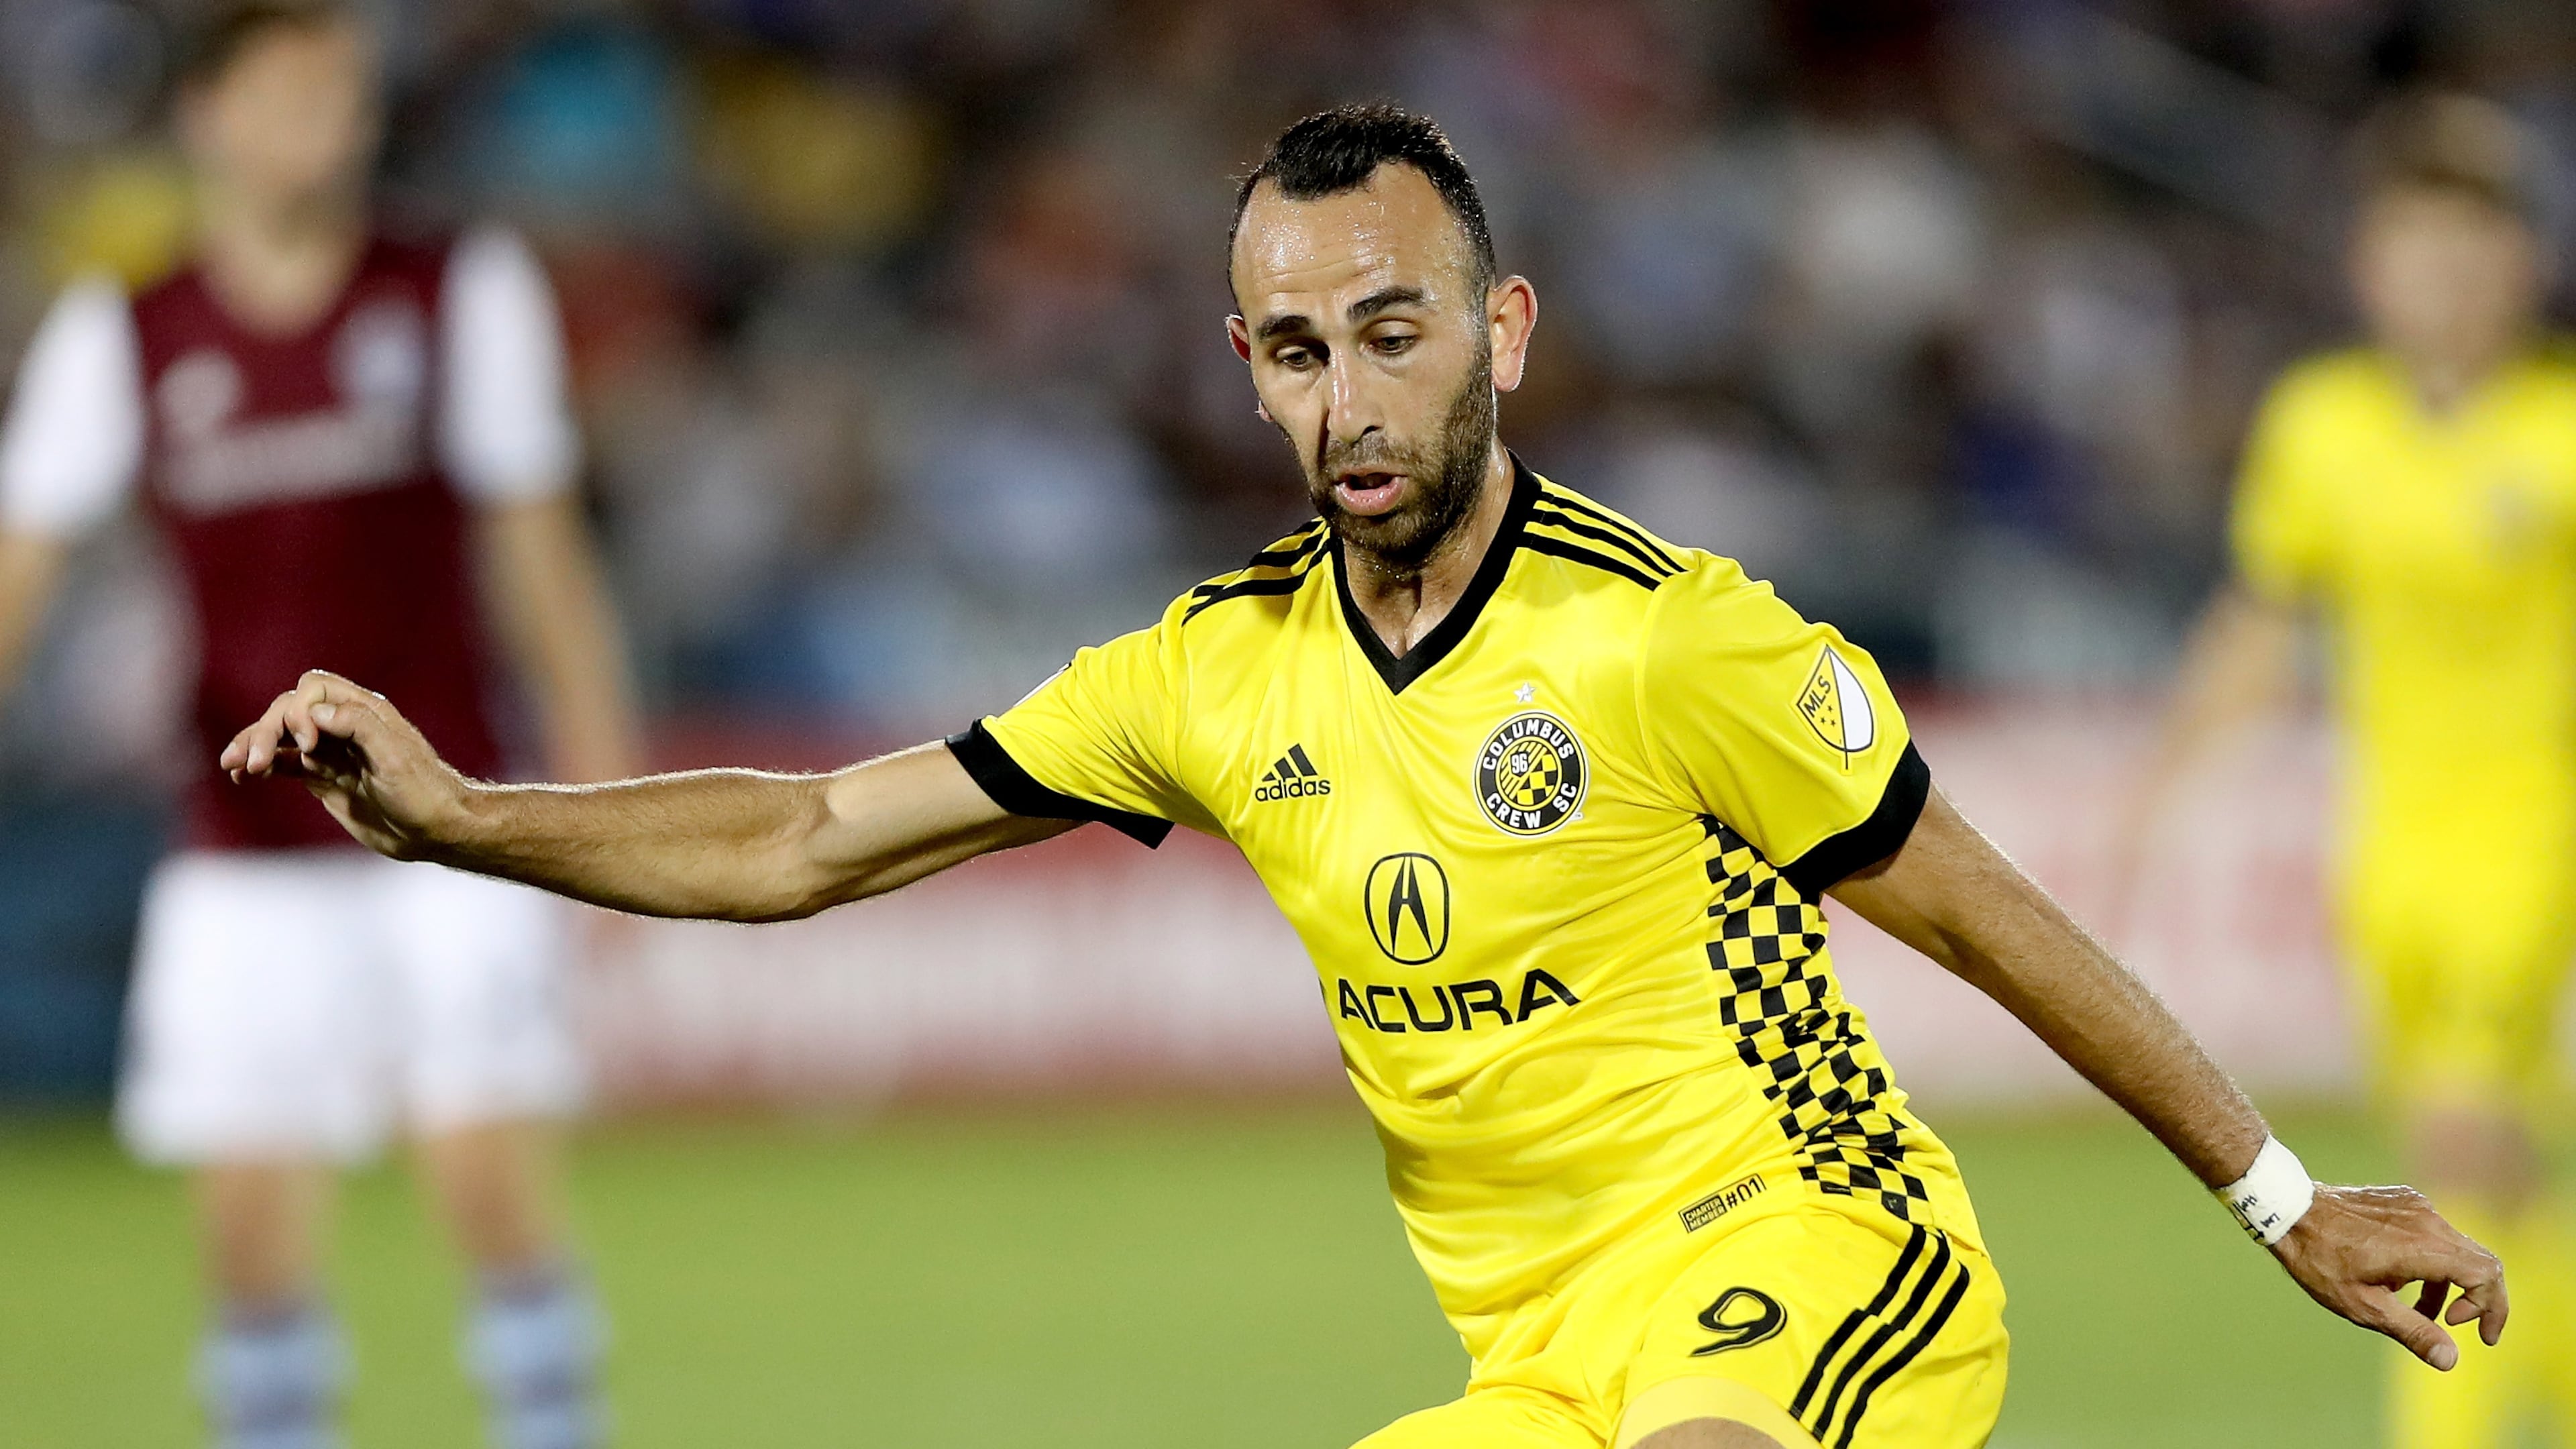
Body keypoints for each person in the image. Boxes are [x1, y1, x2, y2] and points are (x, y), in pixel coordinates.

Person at [223, 105, 2500, 1449]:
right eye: (1299, 349)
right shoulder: (1211, 679)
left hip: (1815, 1267)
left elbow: (1985, 912)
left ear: (1498, 333)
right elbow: (814, 832)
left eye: (1395, 330)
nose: (1350, 399)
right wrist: (458, 816)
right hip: (1534, 1367)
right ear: (1248, 367)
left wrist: (2290, 1207)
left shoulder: (1669, 634)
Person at [0, 5, 638, 1448]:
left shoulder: (451, 291)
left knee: (483, 1174)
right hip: (241, 838)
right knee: (246, 1228)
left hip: (452, 822)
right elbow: (20, 571)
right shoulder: (131, 333)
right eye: (293, 95)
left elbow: (540, 553)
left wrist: (606, 799)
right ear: (209, 117)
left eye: (344, 99)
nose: (328, 128)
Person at [2139, 94, 2576, 1446]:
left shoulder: (2563, 430)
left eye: (2473, 240)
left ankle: (2434, 1430)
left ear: (2523, 263)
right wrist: (2160, 788)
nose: (2444, 272)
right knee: (2492, 1170)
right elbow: (2265, 620)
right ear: (2368, 265)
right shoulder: (2322, 426)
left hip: (2532, 842)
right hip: (2389, 858)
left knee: (2452, 1154)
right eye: (2415, 240)